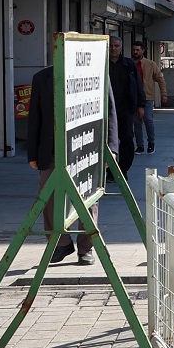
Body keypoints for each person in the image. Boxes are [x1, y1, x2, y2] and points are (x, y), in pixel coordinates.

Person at [25, 62, 93, 265]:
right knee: (48, 198)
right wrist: (32, 154)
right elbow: (35, 117)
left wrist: (112, 148)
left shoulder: (93, 74)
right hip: (52, 151)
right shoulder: (42, 77)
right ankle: (61, 243)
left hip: (86, 149)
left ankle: (86, 248)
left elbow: (109, 112)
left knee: (87, 199)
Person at [107, 38, 145, 177]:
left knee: (127, 139)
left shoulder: (128, 64)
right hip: (106, 109)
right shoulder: (102, 63)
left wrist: (141, 105)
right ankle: (110, 170)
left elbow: (138, 85)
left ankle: (123, 169)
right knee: (108, 141)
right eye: (111, 46)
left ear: (121, 48)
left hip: (125, 109)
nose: (113, 48)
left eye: (116, 46)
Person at [132, 43, 163, 153]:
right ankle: (140, 145)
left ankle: (151, 142)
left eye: (138, 50)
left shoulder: (150, 64)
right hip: (133, 97)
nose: (135, 52)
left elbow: (160, 78)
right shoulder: (130, 63)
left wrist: (163, 94)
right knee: (136, 122)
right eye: (134, 50)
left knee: (148, 119)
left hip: (147, 96)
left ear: (143, 51)